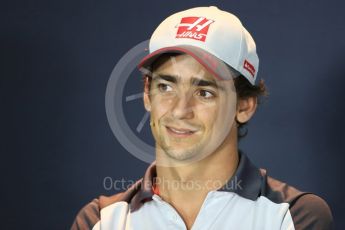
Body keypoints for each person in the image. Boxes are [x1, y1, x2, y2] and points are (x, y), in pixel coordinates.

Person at [71, 6, 333, 230]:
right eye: (166, 87)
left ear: (244, 106)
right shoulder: (102, 220)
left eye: (204, 92)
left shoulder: (292, 217)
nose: (179, 110)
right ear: (147, 95)